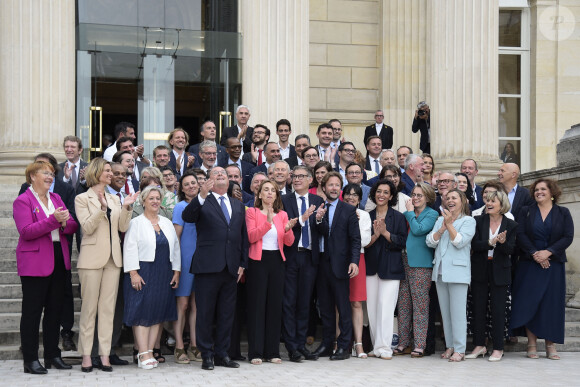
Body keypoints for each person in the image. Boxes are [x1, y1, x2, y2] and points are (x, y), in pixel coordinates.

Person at [14, 161, 78, 374]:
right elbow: (26, 231)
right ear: (32, 176)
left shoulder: (57, 198)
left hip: (59, 258)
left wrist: (61, 222)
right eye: (45, 173)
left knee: (55, 311)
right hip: (35, 262)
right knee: (32, 313)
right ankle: (31, 360)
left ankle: (52, 355)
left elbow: (71, 225)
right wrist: (54, 221)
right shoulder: (23, 201)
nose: (50, 177)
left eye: (52, 173)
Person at [182, 167, 248, 371]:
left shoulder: (237, 205)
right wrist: (201, 195)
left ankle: (222, 354)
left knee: (227, 314)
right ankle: (206, 355)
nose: (221, 175)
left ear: (229, 181)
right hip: (208, 267)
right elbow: (188, 216)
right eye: (216, 173)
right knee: (205, 313)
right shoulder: (203, 201)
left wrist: (242, 264)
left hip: (231, 268)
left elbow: (242, 237)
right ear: (208, 180)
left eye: (224, 174)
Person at [75, 158, 137, 372]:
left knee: (108, 310)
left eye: (111, 170)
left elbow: (122, 226)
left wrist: (127, 207)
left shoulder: (114, 198)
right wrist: (101, 209)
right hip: (91, 260)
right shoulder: (82, 198)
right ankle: (85, 355)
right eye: (108, 170)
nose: (112, 174)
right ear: (97, 172)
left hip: (113, 259)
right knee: (89, 309)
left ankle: (104, 355)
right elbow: (87, 227)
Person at [510, 178, 574, 360]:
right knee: (530, 303)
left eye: (543, 189)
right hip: (529, 263)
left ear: (552, 192)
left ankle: (550, 344)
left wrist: (549, 252)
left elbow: (567, 236)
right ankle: (531, 344)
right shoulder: (526, 211)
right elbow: (520, 234)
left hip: (554, 265)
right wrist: (535, 253)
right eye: (536, 190)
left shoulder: (563, 212)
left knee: (550, 304)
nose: (539, 192)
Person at [123, 186, 181, 369]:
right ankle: (143, 353)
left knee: (158, 312)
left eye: (158, 198)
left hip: (164, 271)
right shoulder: (136, 222)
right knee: (141, 312)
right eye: (151, 198)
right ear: (144, 201)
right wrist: (133, 273)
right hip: (143, 271)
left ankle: (149, 350)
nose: (155, 201)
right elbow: (129, 247)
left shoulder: (166, 222)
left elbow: (176, 248)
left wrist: (176, 271)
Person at [245, 180, 297, 364]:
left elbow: (289, 242)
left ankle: (272, 352)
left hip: (277, 261)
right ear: (259, 194)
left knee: (275, 306)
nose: (269, 193)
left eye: (272, 190)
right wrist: (267, 222)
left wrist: (289, 229)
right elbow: (251, 236)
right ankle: (256, 352)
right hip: (258, 262)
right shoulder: (252, 212)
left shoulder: (282, 214)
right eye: (265, 190)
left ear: (276, 195)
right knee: (257, 307)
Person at [312, 172, 361, 361]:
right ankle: (326, 344)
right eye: (330, 185)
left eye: (336, 185)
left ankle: (343, 346)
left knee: (343, 307)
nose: (333, 188)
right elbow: (324, 232)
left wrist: (354, 261)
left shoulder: (348, 210)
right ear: (323, 187)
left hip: (340, 265)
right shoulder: (319, 207)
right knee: (324, 307)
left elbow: (355, 239)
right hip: (321, 264)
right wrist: (318, 219)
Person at [467, 190, 517, 362]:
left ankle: (498, 348)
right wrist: (491, 242)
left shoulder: (511, 225)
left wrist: (501, 244)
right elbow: (474, 244)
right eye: (487, 200)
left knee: (498, 310)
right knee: (478, 308)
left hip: (500, 271)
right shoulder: (478, 220)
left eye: (492, 201)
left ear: (501, 205)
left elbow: (511, 250)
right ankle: (479, 345)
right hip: (480, 268)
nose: (488, 203)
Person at [426, 189, 476, 362]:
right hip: (440, 272)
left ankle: (460, 349)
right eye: (447, 198)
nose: (450, 200)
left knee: (458, 313)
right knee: (446, 313)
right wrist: (441, 228)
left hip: (458, 273)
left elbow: (459, 242)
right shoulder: (440, 219)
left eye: (454, 198)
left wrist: (450, 225)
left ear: (462, 201)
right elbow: (430, 242)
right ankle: (450, 346)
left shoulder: (469, 221)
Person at [281, 166, 325, 362]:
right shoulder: (283, 200)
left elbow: (324, 230)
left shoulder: (318, 201)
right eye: (294, 176)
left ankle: (301, 345)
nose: (297, 179)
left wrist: (319, 220)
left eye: (301, 176)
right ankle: (292, 347)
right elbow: (283, 226)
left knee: (305, 303)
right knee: (289, 302)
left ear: (310, 180)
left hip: (310, 257)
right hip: (291, 256)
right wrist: (303, 218)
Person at [364, 180, 407, 359]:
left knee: (386, 307)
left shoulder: (398, 217)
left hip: (391, 268)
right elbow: (364, 243)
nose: (381, 195)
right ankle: (376, 347)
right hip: (371, 267)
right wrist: (376, 234)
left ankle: (385, 347)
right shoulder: (367, 215)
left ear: (391, 196)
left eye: (385, 192)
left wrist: (385, 233)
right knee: (372, 308)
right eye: (378, 191)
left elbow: (402, 241)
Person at [395, 183, 438, 358]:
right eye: (413, 194)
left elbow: (419, 230)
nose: (415, 198)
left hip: (421, 264)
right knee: (403, 304)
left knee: (420, 305)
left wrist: (410, 212)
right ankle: (403, 342)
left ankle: (420, 344)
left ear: (427, 197)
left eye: (420, 195)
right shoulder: (409, 213)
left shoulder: (432, 214)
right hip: (403, 260)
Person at [172, 171, 201, 364]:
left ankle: (195, 345)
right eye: (187, 184)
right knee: (182, 305)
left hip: (203, 263)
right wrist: (176, 266)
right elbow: (176, 238)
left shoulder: (206, 204)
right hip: (184, 261)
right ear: (182, 189)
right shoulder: (180, 207)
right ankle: (179, 346)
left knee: (196, 306)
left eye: (194, 183)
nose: (191, 186)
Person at [341, 184, 372, 358]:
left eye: (355, 195)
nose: (351, 197)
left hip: (357, 258)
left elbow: (365, 240)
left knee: (357, 302)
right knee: (339, 303)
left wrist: (355, 223)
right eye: (348, 194)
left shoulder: (365, 215)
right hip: (339, 258)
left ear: (360, 199)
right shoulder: (337, 211)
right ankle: (339, 342)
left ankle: (358, 344)